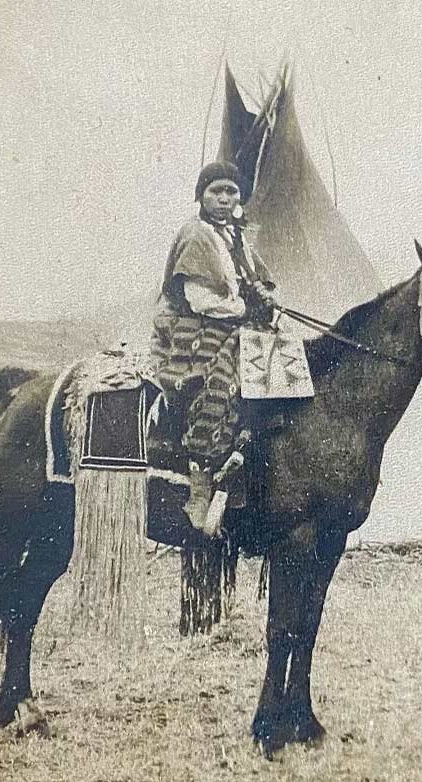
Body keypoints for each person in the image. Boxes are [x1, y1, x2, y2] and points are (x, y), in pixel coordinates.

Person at [150, 160, 277, 533]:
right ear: (201, 196)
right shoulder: (196, 235)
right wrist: (244, 307)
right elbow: (199, 298)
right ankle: (201, 475)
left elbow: (258, 281)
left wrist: (264, 297)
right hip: (195, 327)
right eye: (216, 191)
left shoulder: (236, 236)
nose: (224, 199)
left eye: (231, 192)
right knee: (218, 380)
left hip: (234, 322)